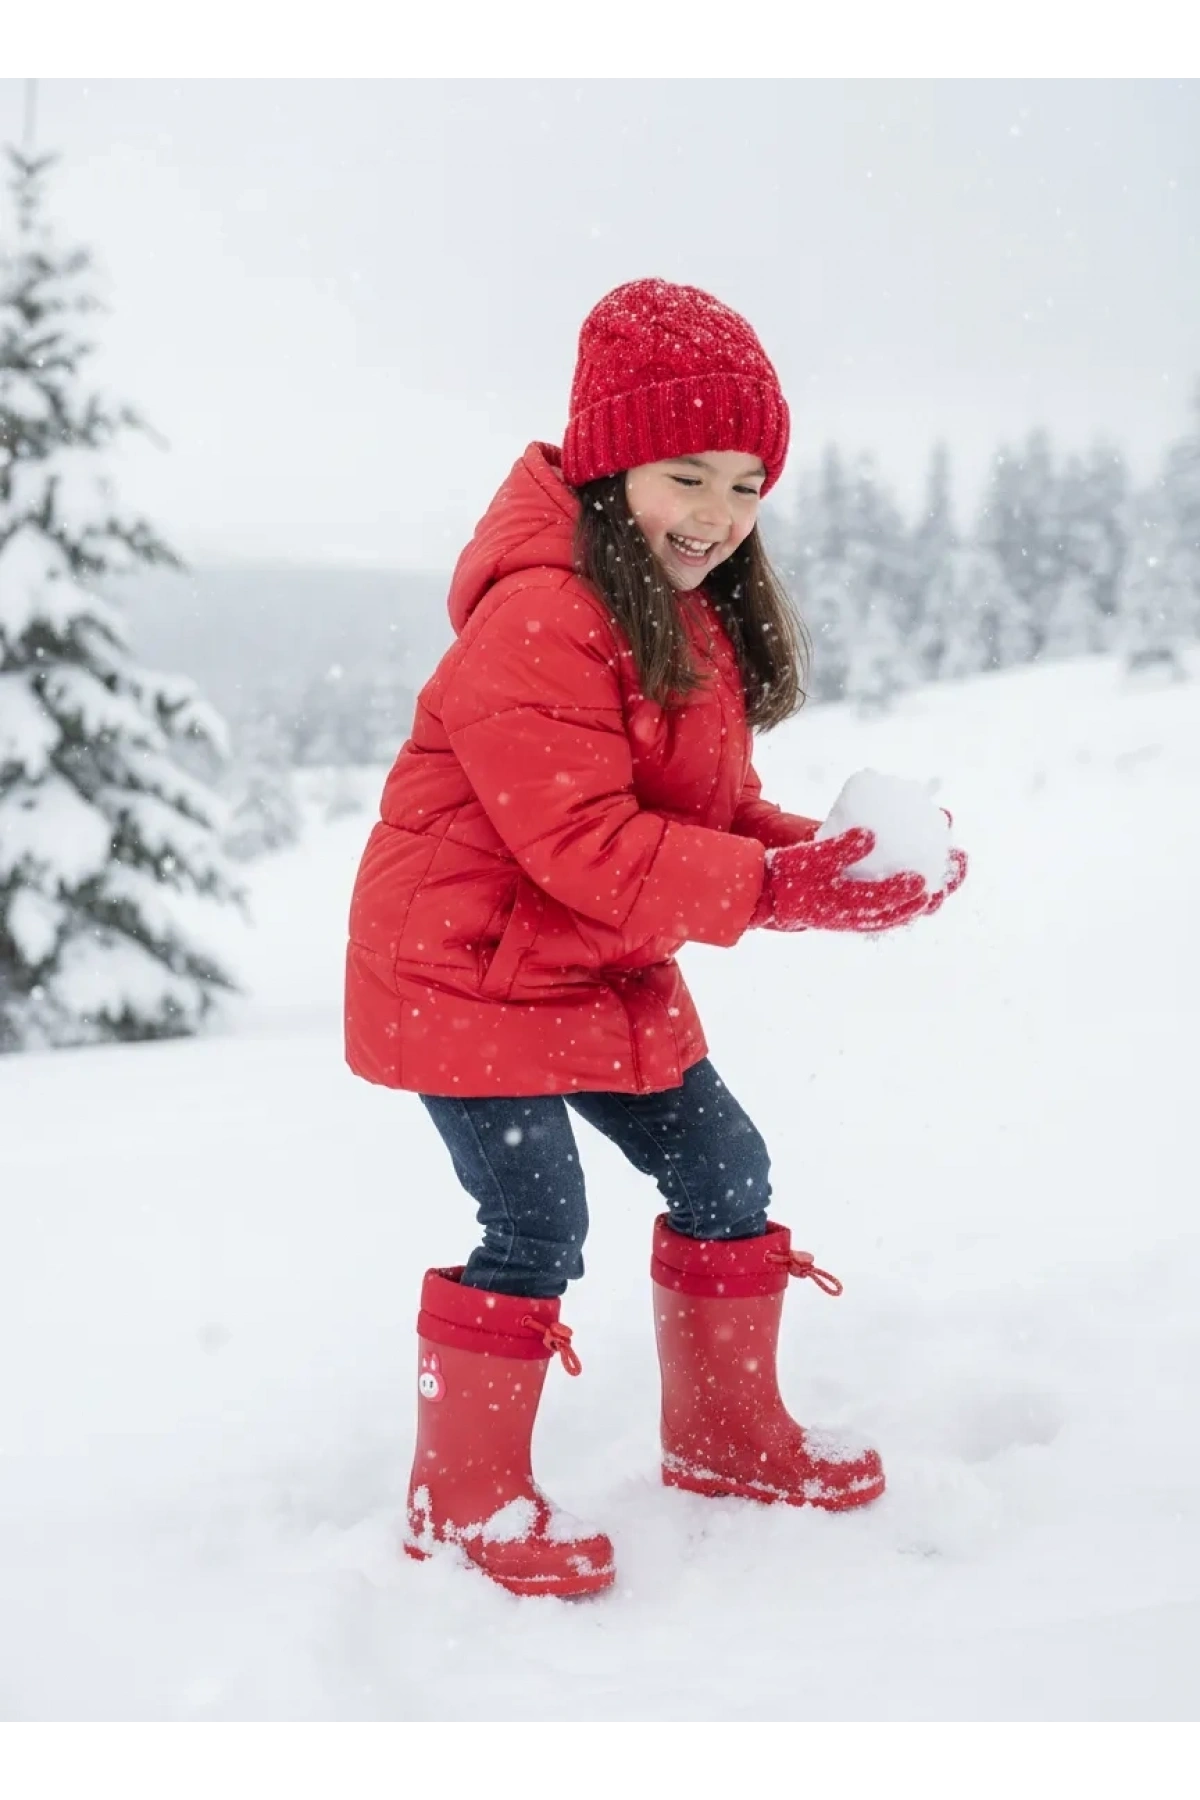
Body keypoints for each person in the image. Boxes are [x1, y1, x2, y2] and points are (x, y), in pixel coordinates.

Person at [344, 278, 967, 1599]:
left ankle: (728, 1434)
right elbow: (586, 846)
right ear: (611, 465)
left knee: (725, 1167)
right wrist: (795, 895)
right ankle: (461, 1503)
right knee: (535, 1220)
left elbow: (707, 811)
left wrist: (839, 859)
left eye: (748, 484)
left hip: (591, 957)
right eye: (689, 474)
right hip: (467, 966)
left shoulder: (674, 611)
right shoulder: (542, 613)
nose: (719, 516)